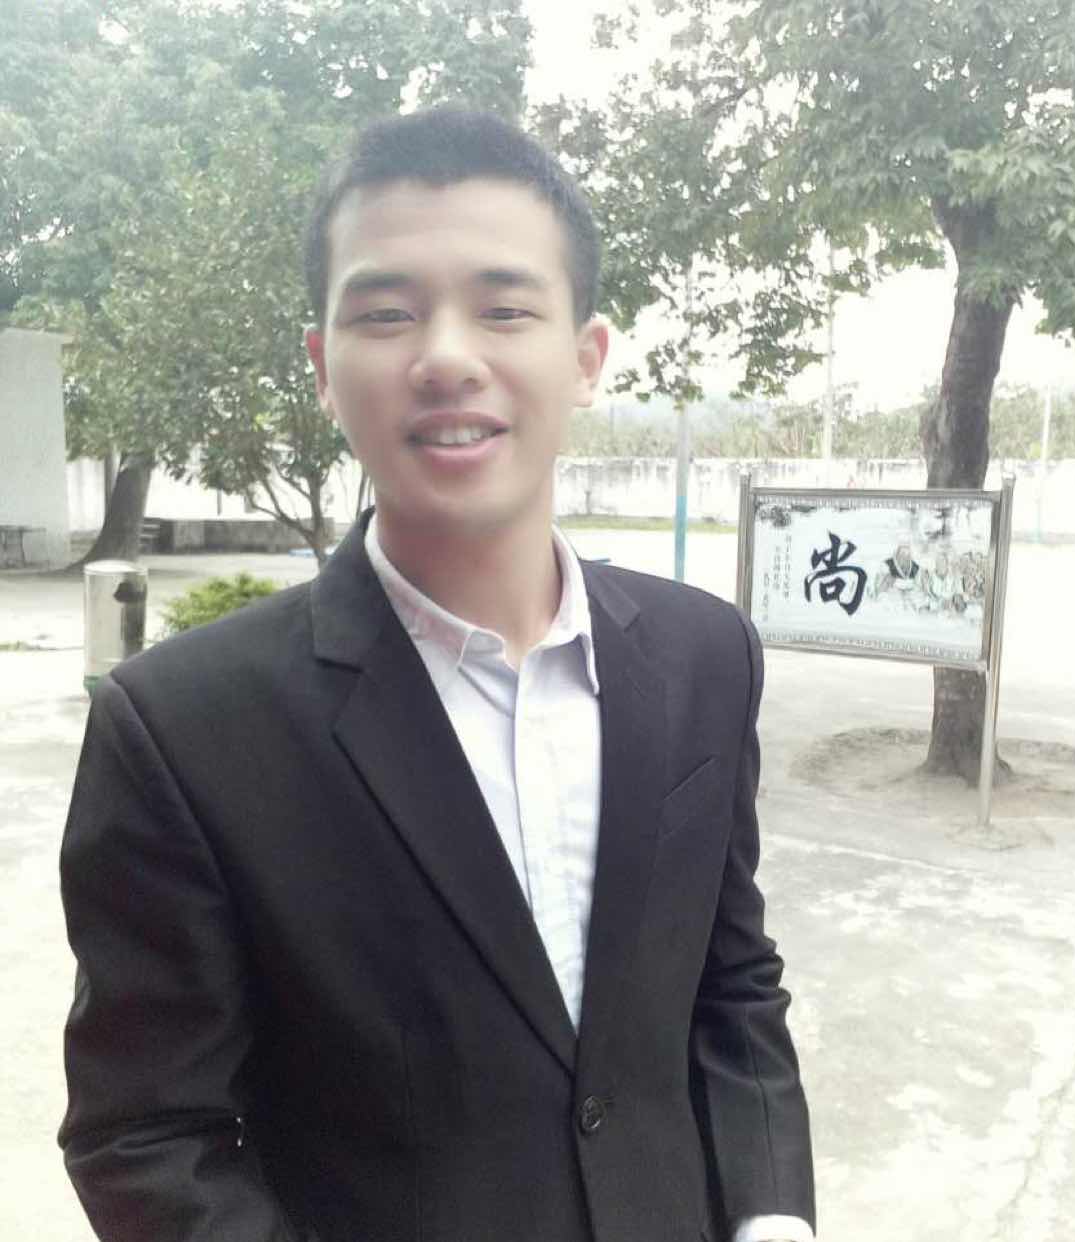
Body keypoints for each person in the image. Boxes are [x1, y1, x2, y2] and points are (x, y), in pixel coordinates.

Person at [58, 108, 815, 1242]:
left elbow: (733, 984)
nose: (448, 358)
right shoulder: (183, 729)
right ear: (323, 367)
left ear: (586, 357)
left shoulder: (706, 655)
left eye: (505, 309)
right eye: (387, 313)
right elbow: (147, 1134)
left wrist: (770, 1217)